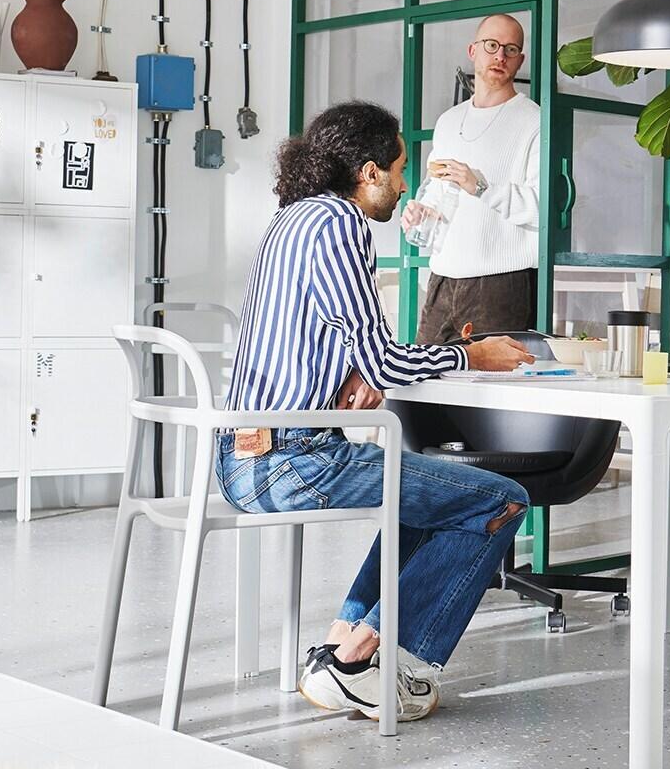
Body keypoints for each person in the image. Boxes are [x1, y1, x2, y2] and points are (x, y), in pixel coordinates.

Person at [219, 100, 536, 723]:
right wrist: (472, 354)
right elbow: (390, 364)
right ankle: (373, 663)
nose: (402, 185)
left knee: (428, 489)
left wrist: (350, 373)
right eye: (397, 170)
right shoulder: (342, 225)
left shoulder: (291, 218)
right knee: (499, 501)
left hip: (245, 453)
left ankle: (343, 651)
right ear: (368, 172)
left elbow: (328, 342)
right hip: (293, 461)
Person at [402, 13, 540, 345]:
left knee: (490, 393)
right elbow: (436, 193)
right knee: (419, 385)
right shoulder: (448, 121)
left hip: (501, 283)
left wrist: (481, 187)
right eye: (491, 45)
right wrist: (419, 213)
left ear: (520, 61)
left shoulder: (536, 122)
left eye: (510, 49)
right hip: (442, 278)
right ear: (472, 50)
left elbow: (542, 208)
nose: (500, 56)